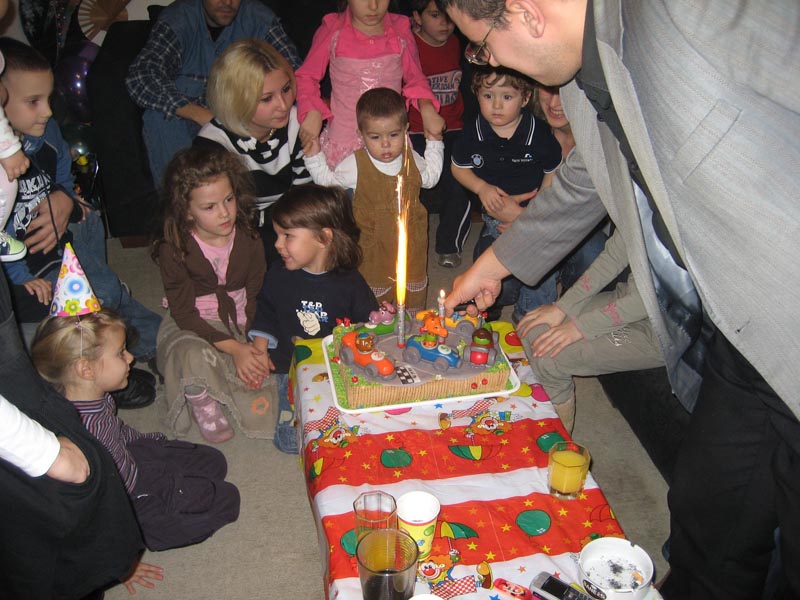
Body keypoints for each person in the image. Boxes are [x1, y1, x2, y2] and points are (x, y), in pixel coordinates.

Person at [439, 1, 800, 597]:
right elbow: (587, 177)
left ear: (525, 14)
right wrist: (492, 264)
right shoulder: (583, 80)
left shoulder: (688, 12)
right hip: (739, 338)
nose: (489, 60)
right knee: (708, 515)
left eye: (482, 45)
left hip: (785, 313)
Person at [0, 37, 161, 407]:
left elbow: (62, 173)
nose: (47, 111)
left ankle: (143, 345)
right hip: (22, 280)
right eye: (32, 101)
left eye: (48, 99)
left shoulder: (47, 135)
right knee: (69, 332)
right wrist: (21, 278)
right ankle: (93, 378)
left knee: (88, 222)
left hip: (57, 258)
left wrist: (65, 197)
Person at [31, 300, 240, 552]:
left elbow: (116, 429)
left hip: (130, 459)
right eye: (121, 353)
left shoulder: (92, 397)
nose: (131, 358)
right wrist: (122, 554)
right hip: (127, 498)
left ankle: (174, 482)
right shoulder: (86, 430)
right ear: (86, 369)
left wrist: (149, 442)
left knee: (214, 462)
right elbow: (100, 501)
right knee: (227, 499)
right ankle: (143, 535)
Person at [249, 183, 377, 453]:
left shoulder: (350, 283)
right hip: (289, 365)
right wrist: (260, 344)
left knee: (353, 425)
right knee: (289, 441)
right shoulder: (278, 274)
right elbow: (266, 308)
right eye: (277, 235)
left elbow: (366, 324)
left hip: (336, 367)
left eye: (287, 236)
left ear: (323, 238)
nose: (277, 244)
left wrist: (373, 327)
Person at [153, 145, 268, 444]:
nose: (225, 212)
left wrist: (256, 340)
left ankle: (218, 374)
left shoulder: (249, 237)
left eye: (229, 199)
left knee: (268, 364)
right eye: (209, 207)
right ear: (186, 211)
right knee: (189, 353)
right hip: (193, 322)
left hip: (239, 318)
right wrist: (235, 348)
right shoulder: (174, 248)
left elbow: (258, 293)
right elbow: (183, 313)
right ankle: (201, 399)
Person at [126, 0, 301, 186]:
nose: (227, 2)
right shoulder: (180, 19)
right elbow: (142, 76)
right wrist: (200, 115)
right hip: (190, 122)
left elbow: (296, 74)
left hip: (247, 123)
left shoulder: (258, 19)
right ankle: (182, 194)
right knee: (158, 116)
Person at [304, 87, 443, 311]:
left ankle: (411, 323)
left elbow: (430, 178)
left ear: (406, 130)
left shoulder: (411, 159)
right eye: (375, 137)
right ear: (361, 135)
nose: (385, 144)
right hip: (372, 245)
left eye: (394, 135)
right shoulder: (355, 164)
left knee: (412, 292)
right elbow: (328, 183)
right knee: (373, 296)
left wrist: (435, 142)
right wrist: (313, 156)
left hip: (411, 242)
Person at [516, 229, 663, 431]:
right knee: (533, 327)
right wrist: (562, 307)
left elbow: (650, 300)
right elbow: (612, 257)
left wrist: (580, 327)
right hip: (631, 297)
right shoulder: (639, 210)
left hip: (667, 329)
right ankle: (539, 413)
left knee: (552, 357)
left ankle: (556, 438)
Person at [451, 66, 561, 322]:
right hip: (495, 219)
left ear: (525, 98)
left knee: (540, 270)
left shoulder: (539, 133)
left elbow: (552, 171)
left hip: (534, 219)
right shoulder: (472, 132)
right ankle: (488, 309)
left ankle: (530, 319)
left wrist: (535, 209)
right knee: (484, 265)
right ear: (477, 95)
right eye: (488, 96)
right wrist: (481, 187)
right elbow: (458, 167)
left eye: (507, 97)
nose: (497, 105)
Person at [195, 38, 312, 265]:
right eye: (267, 99)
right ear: (237, 100)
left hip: (291, 222)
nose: (283, 105)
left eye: (286, 89)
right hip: (242, 229)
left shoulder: (299, 123)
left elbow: (306, 195)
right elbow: (225, 218)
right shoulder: (213, 145)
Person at [295, 0, 445, 169]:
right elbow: (307, 76)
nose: (373, 6)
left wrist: (427, 108)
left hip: (390, 141)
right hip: (345, 144)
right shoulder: (333, 28)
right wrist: (312, 111)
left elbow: (415, 77)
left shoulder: (400, 29)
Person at [407, 0, 471, 269]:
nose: (444, 23)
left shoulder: (456, 43)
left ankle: (448, 245)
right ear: (417, 17)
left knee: (460, 181)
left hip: (453, 127)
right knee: (408, 188)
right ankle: (406, 246)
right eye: (435, 15)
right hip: (416, 130)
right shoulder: (409, 45)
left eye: (448, 16)